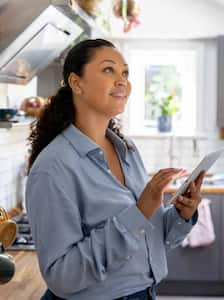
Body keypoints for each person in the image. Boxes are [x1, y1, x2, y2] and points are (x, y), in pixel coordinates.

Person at [25, 39, 204, 300]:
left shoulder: (127, 150)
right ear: (77, 83)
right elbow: (62, 275)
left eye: (125, 72)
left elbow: (148, 239)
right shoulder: (53, 168)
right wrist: (139, 211)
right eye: (109, 70)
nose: (122, 81)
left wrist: (181, 215)